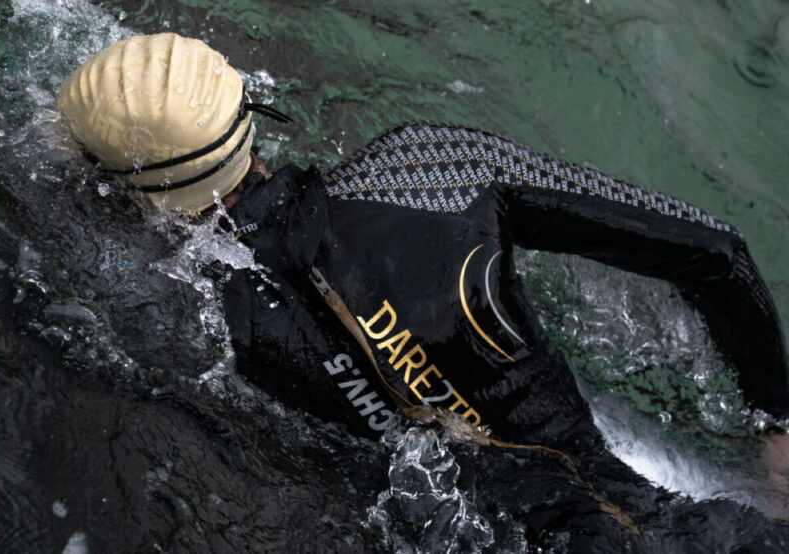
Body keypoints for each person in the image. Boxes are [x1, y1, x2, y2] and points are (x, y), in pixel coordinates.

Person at [56, 32, 789, 539]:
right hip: (700, 532)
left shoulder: (194, 317)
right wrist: (778, 423)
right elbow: (713, 250)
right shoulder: (431, 168)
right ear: (246, 111)